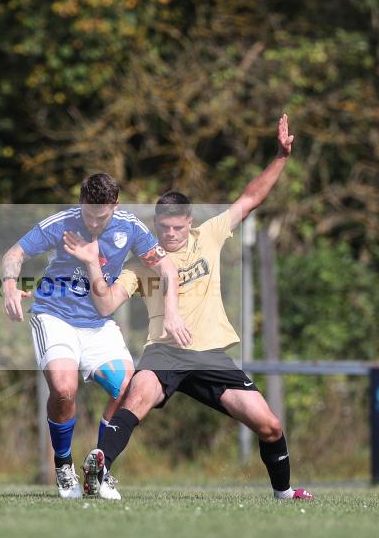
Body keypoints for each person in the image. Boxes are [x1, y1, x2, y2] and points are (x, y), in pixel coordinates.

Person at [67, 115, 313, 500]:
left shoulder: (208, 236)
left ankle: (284, 493)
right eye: (164, 228)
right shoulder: (141, 262)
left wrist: (281, 157)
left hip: (210, 355)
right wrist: (90, 264)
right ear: (155, 224)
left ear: (190, 223)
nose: (170, 235)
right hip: (164, 353)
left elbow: (250, 198)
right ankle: (100, 468)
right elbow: (106, 304)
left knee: (269, 425)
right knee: (136, 398)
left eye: (177, 229)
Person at [2, 173, 190, 499]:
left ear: (115, 206)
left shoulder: (130, 227)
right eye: (88, 215)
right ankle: (64, 467)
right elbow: (14, 254)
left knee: (127, 389)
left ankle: (99, 469)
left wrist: (172, 312)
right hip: (54, 315)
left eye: (100, 218)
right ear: (80, 203)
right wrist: (8, 286)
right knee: (64, 389)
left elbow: (167, 268)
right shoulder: (63, 223)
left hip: (98, 324)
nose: (93, 223)